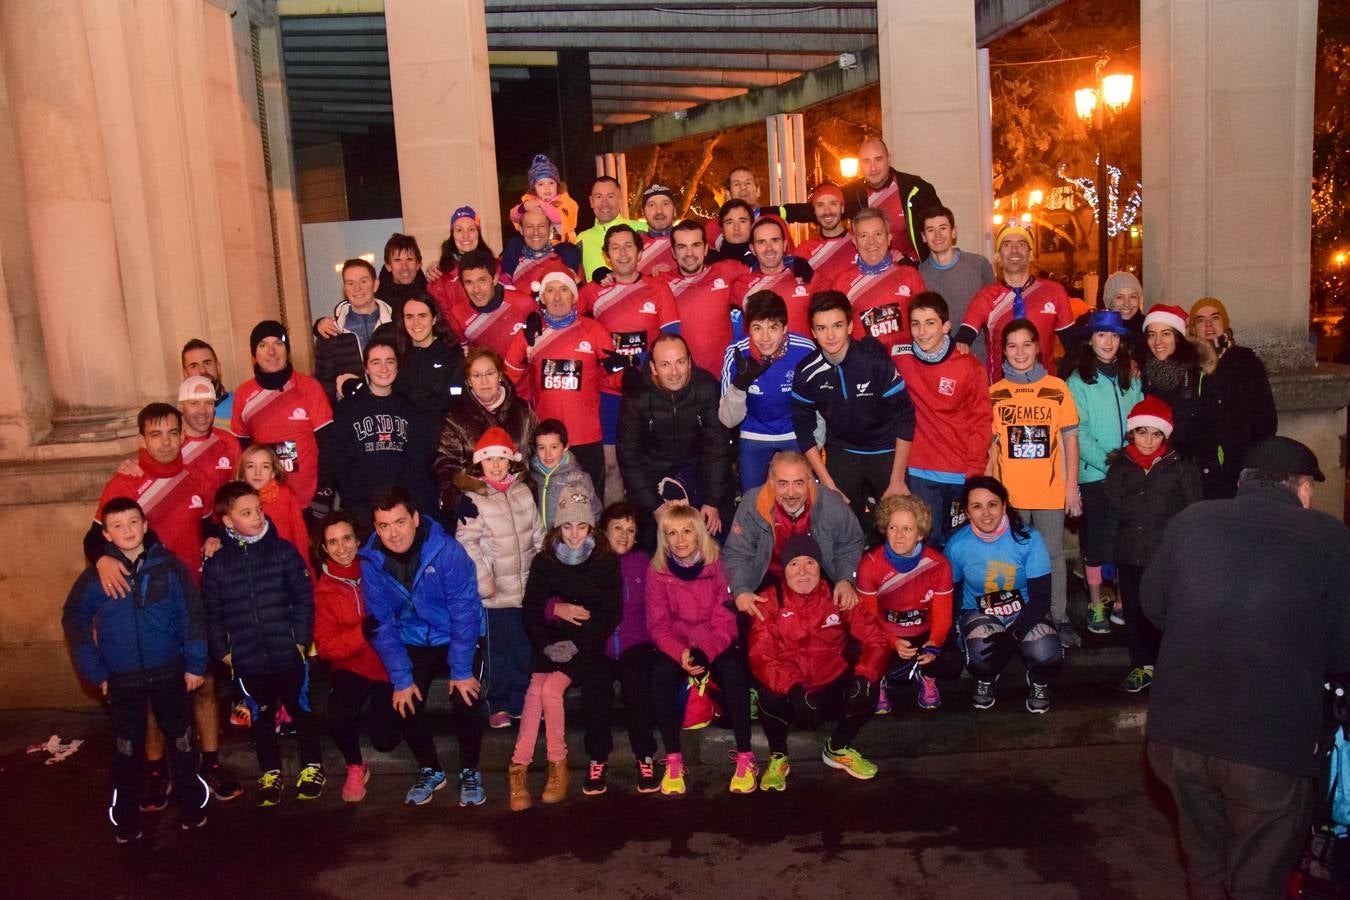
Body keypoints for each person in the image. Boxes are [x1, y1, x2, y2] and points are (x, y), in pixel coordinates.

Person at [1143, 437, 1350, 900]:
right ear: (1301, 489)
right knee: (1258, 877)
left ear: (1242, 483)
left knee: (1204, 861)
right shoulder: (1327, 536)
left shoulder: (1191, 521)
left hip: (1178, 737)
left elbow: (1154, 607)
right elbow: (1344, 651)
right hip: (1268, 745)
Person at [87, 402, 238, 807]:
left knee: (204, 684)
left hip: (192, 600)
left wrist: (214, 537)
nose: (167, 442)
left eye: (173, 432)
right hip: (146, 607)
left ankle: (210, 764)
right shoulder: (125, 482)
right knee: (153, 690)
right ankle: (157, 771)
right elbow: (94, 538)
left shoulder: (196, 478)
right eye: (156, 435)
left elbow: (208, 523)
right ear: (142, 440)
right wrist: (102, 558)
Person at [63, 497, 210, 843]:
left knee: (183, 742)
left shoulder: (170, 568)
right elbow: (74, 619)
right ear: (107, 536)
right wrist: (95, 671)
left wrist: (195, 663)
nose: (127, 530)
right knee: (126, 750)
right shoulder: (94, 578)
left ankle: (192, 808)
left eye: (133, 522)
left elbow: (193, 616)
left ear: (145, 526)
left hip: (169, 671)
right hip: (122, 678)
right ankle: (127, 820)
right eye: (117, 526)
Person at [358, 486, 486, 807]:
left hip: (455, 633)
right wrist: (401, 678)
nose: (393, 533)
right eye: (384, 526)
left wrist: (460, 669)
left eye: (400, 522)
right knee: (406, 697)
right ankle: (431, 768)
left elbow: (465, 612)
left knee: (466, 694)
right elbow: (382, 623)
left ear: (415, 518)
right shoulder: (371, 561)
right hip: (412, 637)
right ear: (375, 528)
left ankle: (470, 769)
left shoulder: (447, 551)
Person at [201, 481, 322, 806]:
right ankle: (270, 771)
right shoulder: (218, 564)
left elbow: (303, 599)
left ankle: (312, 765)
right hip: (248, 657)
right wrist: (224, 652)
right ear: (227, 521)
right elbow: (211, 613)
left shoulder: (283, 551)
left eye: (258, 510)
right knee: (261, 715)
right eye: (246, 513)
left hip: (287, 651)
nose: (256, 517)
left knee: (301, 708)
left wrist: (300, 639)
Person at [509, 485, 621, 810]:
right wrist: (547, 642)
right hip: (547, 643)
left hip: (585, 646)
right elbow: (531, 609)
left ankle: (558, 765)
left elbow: (609, 614)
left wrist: (575, 643)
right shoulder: (545, 561)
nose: (574, 534)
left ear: (592, 527)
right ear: (557, 526)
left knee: (551, 692)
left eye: (582, 526)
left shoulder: (604, 562)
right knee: (534, 690)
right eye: (567, 526)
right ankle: (519, 766)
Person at [749, 534, 891, 790]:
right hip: (793, 693)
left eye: (810, 563)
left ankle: (838, 748)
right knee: (768, 695)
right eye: (794, 564)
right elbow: (760, 655)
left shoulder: (837, 595)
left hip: (829, 685)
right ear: (785, 569)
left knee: (869, 688)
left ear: (820, 566)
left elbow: (876, 639)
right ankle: (778, 756)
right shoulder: (770, 601)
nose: (803, 572)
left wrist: (864, 675)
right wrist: (792, 688)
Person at [646, 505, 757, 795]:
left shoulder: (718, 564)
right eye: (672, 533)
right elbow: (658, 625)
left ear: (699, 534)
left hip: (714, 642)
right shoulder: (657, 570)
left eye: (686, 531)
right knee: (659, 673)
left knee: (734, 670)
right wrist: (680, 653)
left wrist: (706, 651)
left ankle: (745, 754)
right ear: (664, 538)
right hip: (679, 645)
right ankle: (673, 758)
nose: (680, 540)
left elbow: (727, 620)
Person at [988, 319, 1082, 648]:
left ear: (1038, 347)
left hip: (1050, 493)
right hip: (1011, 497)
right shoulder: (995, 393)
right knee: (1014, 558)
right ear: (1003, 351)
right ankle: (1023, 618)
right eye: (1012, 346)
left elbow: (1070, 440)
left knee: (1053, 556)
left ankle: (1059, 617)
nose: (1020, 352)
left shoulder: (1058, 388)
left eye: (1026, 344)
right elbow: (990, 448)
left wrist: (1072, 488)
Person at [791, 290, 917, 530]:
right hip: (842, 451)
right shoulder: (807, 372)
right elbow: (802, 428)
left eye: (837, 325)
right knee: (839, 528)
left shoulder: (875, 361)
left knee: (900, 524)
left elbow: (905, 417)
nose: (830, 335)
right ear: (813, 331)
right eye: (821, 328)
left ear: (850, 326)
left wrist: (898, 478)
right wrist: (827, 482)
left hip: (885, 449)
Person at [1100, 398, 1201, 694]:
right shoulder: (1120, 468)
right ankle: (1141, 665)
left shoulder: (1179, 467)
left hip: (1164, 555)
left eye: (1156, 434)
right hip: (1129, 554)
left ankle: (1169, 666)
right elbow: (1111, 514)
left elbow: (1194, 510)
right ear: (1132, 433)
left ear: (1165, 436)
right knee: (1134, 612)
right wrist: (1107, 555)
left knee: (1165, 612)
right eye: (1142, 432)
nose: (1148, 440)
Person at [944, 476, 1064, 713]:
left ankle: (1039, 680)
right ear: (967, 512)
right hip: (979, 611)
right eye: (976, 506)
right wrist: (951, 636)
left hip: (1026, 610)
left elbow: (1041, 597)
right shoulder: (957, 545)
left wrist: (1014, 634)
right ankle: (986, 678)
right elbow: (951, 594)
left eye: (992, 504)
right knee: (981, 656)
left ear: (1004, 505)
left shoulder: (1028, 539)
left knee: (1047, 655)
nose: (986, 513)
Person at [452, 428, 544, 729]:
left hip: (525, 587)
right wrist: (484, 580)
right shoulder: (474, 499)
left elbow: (538, 533)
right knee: (498, 652)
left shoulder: (523, 491)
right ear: (480, 463)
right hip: (495, 593)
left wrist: (544, 573)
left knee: (523, 648)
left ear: (511, 462)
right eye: (489, 459)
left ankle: (522, 701)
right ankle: (497, 703)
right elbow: (467, 543)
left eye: (501, 459)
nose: (495, 465)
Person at [310, 511, 401, 803]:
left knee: (386, 740)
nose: (342, 548)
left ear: (358, 539)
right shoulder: (324, 589)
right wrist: (360, 634)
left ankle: (375, 710)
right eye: (332, 542)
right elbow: (325, 645)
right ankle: (355, 766)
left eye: (346, 538)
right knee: (336, 713)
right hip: (352, 664)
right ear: (324, 548)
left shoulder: (378, 566)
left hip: (388, 664)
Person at [892, 292, 993, 549]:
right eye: (915, 323)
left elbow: (982, 421)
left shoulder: (969, 366)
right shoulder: (899, 357)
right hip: (919, 471)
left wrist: (974, 469)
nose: (922, 332)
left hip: (960, 472)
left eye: (930, 323)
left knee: (961, 546)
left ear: (946, 326)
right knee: (929, 544)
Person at [504, 271, 617, 498]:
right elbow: (510, 378)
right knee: (549, 504)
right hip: (547, 439)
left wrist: (627, 366)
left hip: (586, 436)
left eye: (564, 289)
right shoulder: (533, 333)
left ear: (574, 297)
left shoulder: (594, 330)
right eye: (550, 290)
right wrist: (525, 340)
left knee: (590, 506)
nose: (557, 297)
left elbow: (615, 380)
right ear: (542, 297)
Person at [576, 503, 663, 796]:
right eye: (618, 528)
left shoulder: (644, 562)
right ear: (604, 531)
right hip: (599, 642)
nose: (624, 536)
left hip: (635, 641)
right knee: (594, 685)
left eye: (630, 530)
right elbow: (554, 596)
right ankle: (598, 757)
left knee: (638, 684)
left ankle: (645, 756)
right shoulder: (587, 561)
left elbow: (658, 605)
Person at [617, 333, 733, 547]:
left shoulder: (706, 386)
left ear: (689, 362)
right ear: (653, 367)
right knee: (653, 545)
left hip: (698, 472)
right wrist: (655, 507)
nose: (674, 373)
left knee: (714, 535)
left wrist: (712, 501)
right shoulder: (637, 394)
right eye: (665, 365)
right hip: (653, 477)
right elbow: (629, 455)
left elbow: (717, 448)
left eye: (680, 362)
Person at [1065, 309, 1142, 634]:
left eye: (1113, 336)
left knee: (1126, 538)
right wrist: (1111, 463)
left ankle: (1123, 600)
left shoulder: (1131, 375)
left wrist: (1134, 457)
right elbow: (1078, 431)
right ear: (1090, 340)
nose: (1108, 342)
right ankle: (1096, 601)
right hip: (1096, 474)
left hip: (1130, 472)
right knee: (1095, 542)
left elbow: (1139, 415)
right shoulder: (1077, 380)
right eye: (1101, 335)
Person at [576, 223, 681, 455]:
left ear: (640, 253)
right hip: (607, 393)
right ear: (606, 255)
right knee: (611, 463)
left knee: (651, 459)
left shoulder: (659, 289)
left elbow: (673, 341)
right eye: (615, 248)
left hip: (650, 390)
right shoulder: (591, 292)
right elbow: (566, 324)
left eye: (628, 247)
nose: (622, 254)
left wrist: (639, 362)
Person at [724, 450, 866, 619]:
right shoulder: (753, 504)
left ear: (810, 483)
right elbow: (738, 552)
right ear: (771, 484)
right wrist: (740, 590)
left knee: (846, 615)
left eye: (798, 483)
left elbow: (850, 543)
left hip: (818, 573)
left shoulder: (831, 503)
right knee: (748, 621)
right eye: (783, 484)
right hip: (767, 574)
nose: (791, 494)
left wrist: (846, 579)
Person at [855, 495, 963, 713]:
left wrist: (933, 642)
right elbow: (867, 617)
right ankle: (881, 679)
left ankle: (927, 675)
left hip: (922, 633)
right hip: (885, 633)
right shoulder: (870, 564)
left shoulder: (939, 564)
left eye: (907, 529)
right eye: (893, 527)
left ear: (920, 534)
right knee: (859, 649)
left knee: (952, 662)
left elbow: (943, 613)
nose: (899, 536)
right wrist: (892, 642)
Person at [335, 336, 440, 525]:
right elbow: (341, 462)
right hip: (362, 508)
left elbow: (418, 464)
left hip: (402, 508)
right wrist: (359, 501)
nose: (384, 369)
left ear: (397, 366)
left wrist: (406, 504)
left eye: (389, 362)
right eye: (376, 362)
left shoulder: (412, 410)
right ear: (366, 368)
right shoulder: (347, 409)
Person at [719, 291, 818, 491]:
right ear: (749, 329)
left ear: (785, 328)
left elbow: (822, 405)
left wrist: (816, 442)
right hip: (754, 431)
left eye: (773, 328)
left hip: (796, 430)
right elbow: (728, 420)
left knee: (805, 494)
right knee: (752, 499)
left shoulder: (805, 349)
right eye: (757, 328)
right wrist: (740, 385)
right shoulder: (736, 352)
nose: (765, 338)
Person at [230, 320, 334, 511]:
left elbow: (329, 447)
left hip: (310, 500)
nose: (271, 352)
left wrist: (323, 495)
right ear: (254, 354)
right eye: (263, 345)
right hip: (264, 504)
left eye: (278, 343)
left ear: (287, 349)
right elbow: (240, 452)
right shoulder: (244, 394)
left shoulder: (310, 388)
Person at [956, 224, 1075, 384]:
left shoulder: (1054, 292)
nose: (1014, 250)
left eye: (1021, 244)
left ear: (1031, 255)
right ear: (997, 256)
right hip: (1000, 395)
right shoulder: (985, 297)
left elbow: (1075, 348)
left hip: (1045, 394)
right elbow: (962, 341)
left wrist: (1061, 381)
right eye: (1006, 244)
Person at [1187, 297, 1278, 499]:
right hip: (1198, 469)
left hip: (1239, 465)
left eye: (1215, 317)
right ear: (1193, 328)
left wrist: (1255, 463)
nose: (1208, 324)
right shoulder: (1187, 365)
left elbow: (1266, 418)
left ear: (1225, 324)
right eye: (1201, 320)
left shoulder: (1246, 363)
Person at [435, 347, 537, 524]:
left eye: (490, 373)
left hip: (519, 503)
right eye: (476, 375)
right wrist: (454, 498)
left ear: (500, 376)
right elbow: (446, 463)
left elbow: (537, 452)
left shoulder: (521, 411)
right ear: (468, 381)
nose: (484, 381)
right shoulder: (456, 417)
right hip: (479, 508)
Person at [829, 208, 927, 356]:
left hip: (907, 365)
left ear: (889, 238)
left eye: (878, 234)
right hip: (865, 369)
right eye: (863, 236)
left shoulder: (909, 275)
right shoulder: (841, 283)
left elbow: (927, 322)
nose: (871, 242)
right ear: (855, 241)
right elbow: (835, 333)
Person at [660, 219, 744, 376]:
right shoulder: (660, 283)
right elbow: (630, 282)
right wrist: (603, 274)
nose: (689, 253)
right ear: (673, 252)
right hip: (681, 380)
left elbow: (766, 265)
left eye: (696, 245)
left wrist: (793, 262)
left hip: (723, 377)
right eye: (682, 247)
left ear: (705, 249)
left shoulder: (724, 271)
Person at [841, 138, 942, 262]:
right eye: (866, 161)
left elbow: (940, 227)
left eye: (878, 159)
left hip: (916, 268)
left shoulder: (916, 188)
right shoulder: (852, 193)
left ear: (889, 159)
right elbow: (821, 210)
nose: (873, 168)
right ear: (860, 165)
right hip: (871, 272)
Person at [313, 258, 394, 405]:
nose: (357, 289)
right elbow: (321, 385)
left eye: (363, 281)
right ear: (345, 289)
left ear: (375, 285)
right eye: (350, 283)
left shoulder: (397, 325)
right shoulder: (330, 333)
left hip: (395, 410)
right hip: (352, 414)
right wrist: (341, 390)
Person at [916, 206, 995, 357]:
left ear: (954, 232)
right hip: (937, 360)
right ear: (924, 237)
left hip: (977, 358)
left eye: (943, 228)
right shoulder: (918, 275)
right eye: (931, 230)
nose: (937, 235)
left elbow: (994, 313)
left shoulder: (979, 265)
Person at [1135, 304, 1203, 461]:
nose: (1158, 342)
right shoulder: (1140, 373)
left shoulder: (1196, 373)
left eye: (1165, 334)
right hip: (1151, 461)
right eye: (1152, 335)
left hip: (1188, 463)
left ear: (1178, 337)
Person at [445, 250, 537, 364]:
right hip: (488, 380)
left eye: (482, 280)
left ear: (494, 279)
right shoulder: (458, 315)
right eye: (469, 282)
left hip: (526, 379)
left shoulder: (524, 304)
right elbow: (465, 359)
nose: (476, 290)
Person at [235, 444, 312, 577]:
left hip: (285, 569)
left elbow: (300, 538)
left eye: (265, 466)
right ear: (242, 472)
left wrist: (305, 572)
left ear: (273, 473)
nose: (257, 472)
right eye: (251, 466)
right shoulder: (234, 500)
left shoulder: (285, 495)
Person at [731, 216, 814, 337]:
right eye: (761, 242)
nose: (769, 248)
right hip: (760, 355)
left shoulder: (807, 277)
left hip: (805, 355)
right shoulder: (739, 286)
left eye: (775, 240)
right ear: (752, 249)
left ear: (785, 244)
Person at [392, 294, 465, 419]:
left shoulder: (451, 352)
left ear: (434, 319)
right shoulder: (395, 354)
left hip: (444, 428)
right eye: (409, 317)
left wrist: (411, 395)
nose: (416, 323)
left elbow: (455, 398)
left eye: (422, 316)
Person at [529, 418, 602, 530]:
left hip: (566, 542)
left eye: (554, 447)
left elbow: (595, 513)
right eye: (542, 448)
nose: (548, 454)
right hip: (538, 542)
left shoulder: (579, 478)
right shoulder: (531, 475)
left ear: (565, 447)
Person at [178, 375, 241, 501]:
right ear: (180, 407)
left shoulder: (229, 442)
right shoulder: (169, 445)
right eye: (194, 403)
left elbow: (239, 490)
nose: (203, 411)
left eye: (209, 403)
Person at [426, 206, 495, 316]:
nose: (465, 235)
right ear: (452, 235)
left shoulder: (496, 266)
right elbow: (443, 318)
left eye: (471, 229)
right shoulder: (439, 275)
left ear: (478, 233)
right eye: (459, 230)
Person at [575, 176, 647, 280]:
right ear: (591, 201)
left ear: (620, 198)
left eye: (610, 196)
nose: (605, 203)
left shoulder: (641, 231)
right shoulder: (582, 240)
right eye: (599, 197)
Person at [499, 205, 582, 288]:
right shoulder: (511, 257)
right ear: (521, 229)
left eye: (541, 226)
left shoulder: (564, 257)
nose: (536, 232)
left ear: (550, 229)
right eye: (529, 226)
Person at [794, 182, 856, 286]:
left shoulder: (861, 241)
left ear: (842, 208)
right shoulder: (803, 251)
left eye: (833, 203)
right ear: (814, 211)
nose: (827, 211)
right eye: (820, 205)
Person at [508, 153, 579, 245]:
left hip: (563, 244)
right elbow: (513, 216)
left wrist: (541, 204)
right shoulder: (531, 200)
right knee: (515, 244)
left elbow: (558, 218)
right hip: (538, 244)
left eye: (551, 183)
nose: (547, 187)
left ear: (557, 185)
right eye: (541, 184)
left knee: (568, 253)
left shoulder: (566, 201)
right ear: (534, 188)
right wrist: (524, 206)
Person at [181, 338, 234, 431]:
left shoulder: (241, 403)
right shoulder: (177, 414)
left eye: (207, 363)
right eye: (194, 366)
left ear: (218, 367)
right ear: (185, 373)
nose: (202, 371)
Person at [375, 233, 430, 315]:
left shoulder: (431, 294)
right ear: (388, 266)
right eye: (397, 260)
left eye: (409, 259)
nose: (404, 267)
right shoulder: (377, 303)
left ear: (418, 264)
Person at [634, 184, 678, 277]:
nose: (659, 211)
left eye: (665, 204)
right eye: (651, 205)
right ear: (643, 212)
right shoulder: (633, 246)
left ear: (674, 210)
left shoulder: (690, 241)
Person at [714, 198, 756, 266]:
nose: (736, 227)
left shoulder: (763, 261)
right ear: (722, 229)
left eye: (742, 221)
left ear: (752, 225)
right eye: (729, 222)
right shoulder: (710, 264)